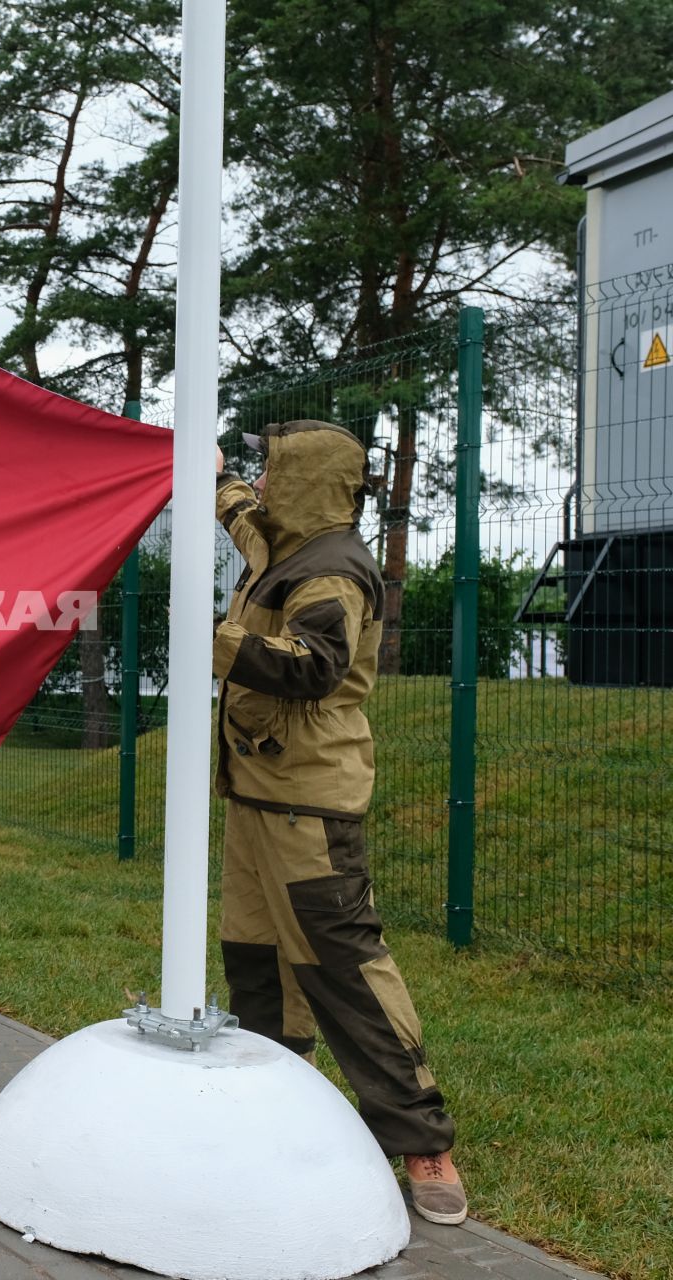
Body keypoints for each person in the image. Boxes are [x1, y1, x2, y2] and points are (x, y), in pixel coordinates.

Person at [213, 422, 463, 1224]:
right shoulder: (285, 545)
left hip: (307, 803)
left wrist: (211, 637)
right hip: (254, 794)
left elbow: (310, 669)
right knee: (255, 962)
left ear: (306, 478)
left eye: (269, 465)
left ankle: (424, 1143)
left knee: (343, 967)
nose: (259, 477)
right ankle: (272, 1107)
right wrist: (215, 480)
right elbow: (244, 521)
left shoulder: (333, 571)